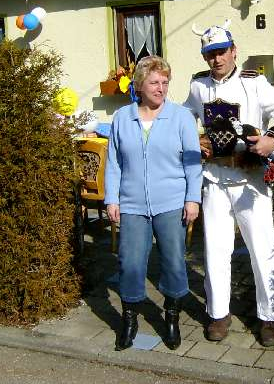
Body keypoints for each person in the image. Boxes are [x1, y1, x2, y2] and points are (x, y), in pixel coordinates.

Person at [184, 21, 274, 347]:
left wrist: (271, 140)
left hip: (251, 182)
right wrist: (193, 140)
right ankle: (218, 313)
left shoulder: (255, 83)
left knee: (262, 250)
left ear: (234, 51)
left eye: (222, 52)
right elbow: (183, 118)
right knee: (215, 250)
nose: (217, 59)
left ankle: (269, 317)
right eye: (210, 54)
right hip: (215, 180)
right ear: (205, 57)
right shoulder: (198, 86)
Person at [105, 55, 202, 351]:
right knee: (131, 263)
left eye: (165, 82)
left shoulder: (181, 117)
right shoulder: (122, 118)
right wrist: (112, 198)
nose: (161, 88)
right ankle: (129, 320)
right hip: (132, 203)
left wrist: (193, 198)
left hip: (171, 202)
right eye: (154, 82)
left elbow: (192, 163)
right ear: (139, 85)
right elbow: (114, 163)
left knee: (173, 261)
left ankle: (171, 318)